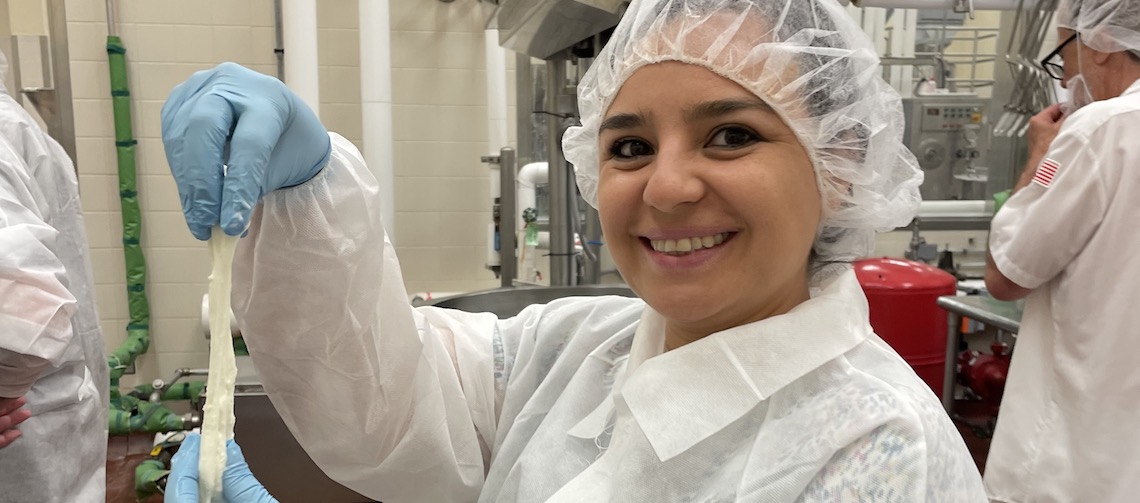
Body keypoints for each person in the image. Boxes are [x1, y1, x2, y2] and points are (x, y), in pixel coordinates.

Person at [162, 0, 987, 501]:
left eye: (731, 135)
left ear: (839, 163)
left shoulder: (878, 453)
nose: (664, 188)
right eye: (628, 147)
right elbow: (387, 398)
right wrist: (308, 197)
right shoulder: (575, 353)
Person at [983, 0, 1140, 501]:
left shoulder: (1104, 129)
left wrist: (1039, 155)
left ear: (1102, 41)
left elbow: (1006, 276)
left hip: (1075, 466)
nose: (1066, 74)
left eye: (1064, 54)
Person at [0, 50, 109, 501]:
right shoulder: (18, 124)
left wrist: (5, 389)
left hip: (25, 440)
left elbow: (25, 307)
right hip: (52, 433)